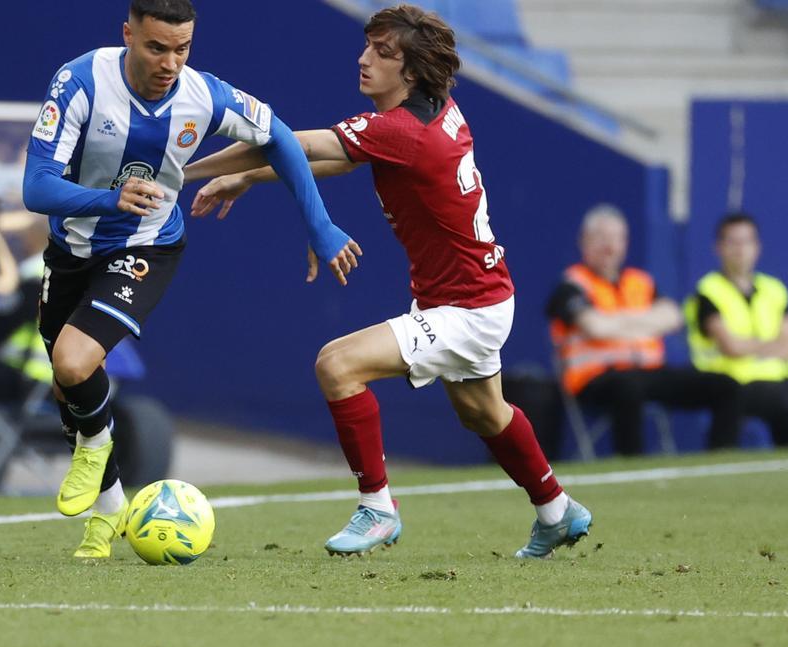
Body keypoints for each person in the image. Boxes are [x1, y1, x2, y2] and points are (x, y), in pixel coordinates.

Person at [185, 4, 588, 559]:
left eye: (384, 52)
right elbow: (343, 160)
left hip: (466, 309)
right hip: (481, 294)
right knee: (482, 412)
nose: (364, 58)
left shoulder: (401, 131)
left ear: (413, 71)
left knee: (337, 364)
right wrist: (247, 178)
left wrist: (187, 170)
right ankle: (558, 511)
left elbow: (290, 144)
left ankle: (377, 508)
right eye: (368, 45)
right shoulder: (435, 110)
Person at [22, 0, 361, 558]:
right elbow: (36, 187)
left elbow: (278, 135)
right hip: (71, 250)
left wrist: (320, 225)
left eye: (182, 49)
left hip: (147, 246)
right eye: (156, 47)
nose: (170, 63)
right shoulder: (80, 81)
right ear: (127, 35)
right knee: (69, 386)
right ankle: (107, 516)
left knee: (74, 361)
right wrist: (109, 199)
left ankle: (92, 457)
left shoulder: (203, 95)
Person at [545, 205, 742, 456]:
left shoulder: (641, 282)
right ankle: (631, 462)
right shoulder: (571, 285)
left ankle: (722, 461)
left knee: (725, 385)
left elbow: (673, 316)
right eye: (601, 238)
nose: (609, 246)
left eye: (616, 238)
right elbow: (595, 327)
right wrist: (645, 322)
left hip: (650, 373)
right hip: (595, 379)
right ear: (584, 242)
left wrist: (615, 323)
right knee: (629, 388)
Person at [687, 213, 788, 446]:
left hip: (782, 375)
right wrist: (771, 345)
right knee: (781, 399)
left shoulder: (774, 289)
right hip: (734, 380)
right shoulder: (708, 291)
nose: (740, 249)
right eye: (733, 242)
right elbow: (731, 347)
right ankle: (784, 452)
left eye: (747, 242)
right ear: (718, 248)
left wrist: (751, 346)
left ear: (757, 247)